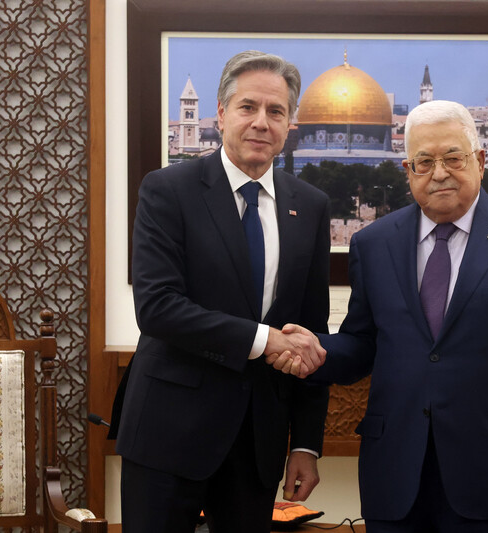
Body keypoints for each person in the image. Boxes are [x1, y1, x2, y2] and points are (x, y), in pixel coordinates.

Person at [270, 100, 488, 532]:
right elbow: (363, 344)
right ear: (408, 171)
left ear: (480, 161)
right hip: (397, 473)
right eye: (424, 162)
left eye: (453, 158)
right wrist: (314, 350)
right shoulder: (375, 243)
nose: (439, 173)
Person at [110, 51, 331, 533]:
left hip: (258, 442)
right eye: (248, 107)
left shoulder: (310, 206)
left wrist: (305, 444)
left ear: (290, 123)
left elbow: (310, 331)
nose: (261, 122)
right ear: (221, 113)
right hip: (168, 433)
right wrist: (265, 340)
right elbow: (158, 308)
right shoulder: (167, 189)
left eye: (276, 112)